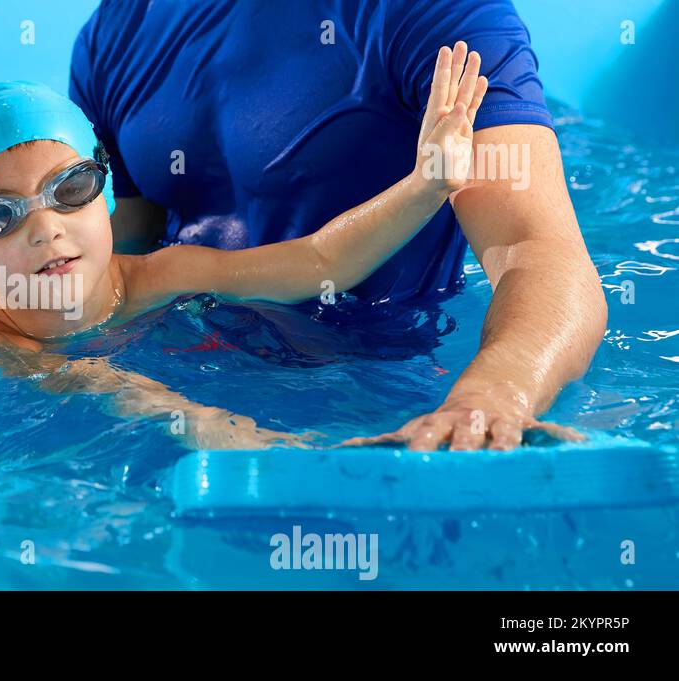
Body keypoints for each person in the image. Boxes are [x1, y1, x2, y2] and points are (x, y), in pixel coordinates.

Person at [68, 0, 606, 451]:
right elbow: (116, 253)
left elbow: (537, 250)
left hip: (369, 393)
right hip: (168, 389)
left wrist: (489, 398)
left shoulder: (436, 16)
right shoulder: (114, 30)